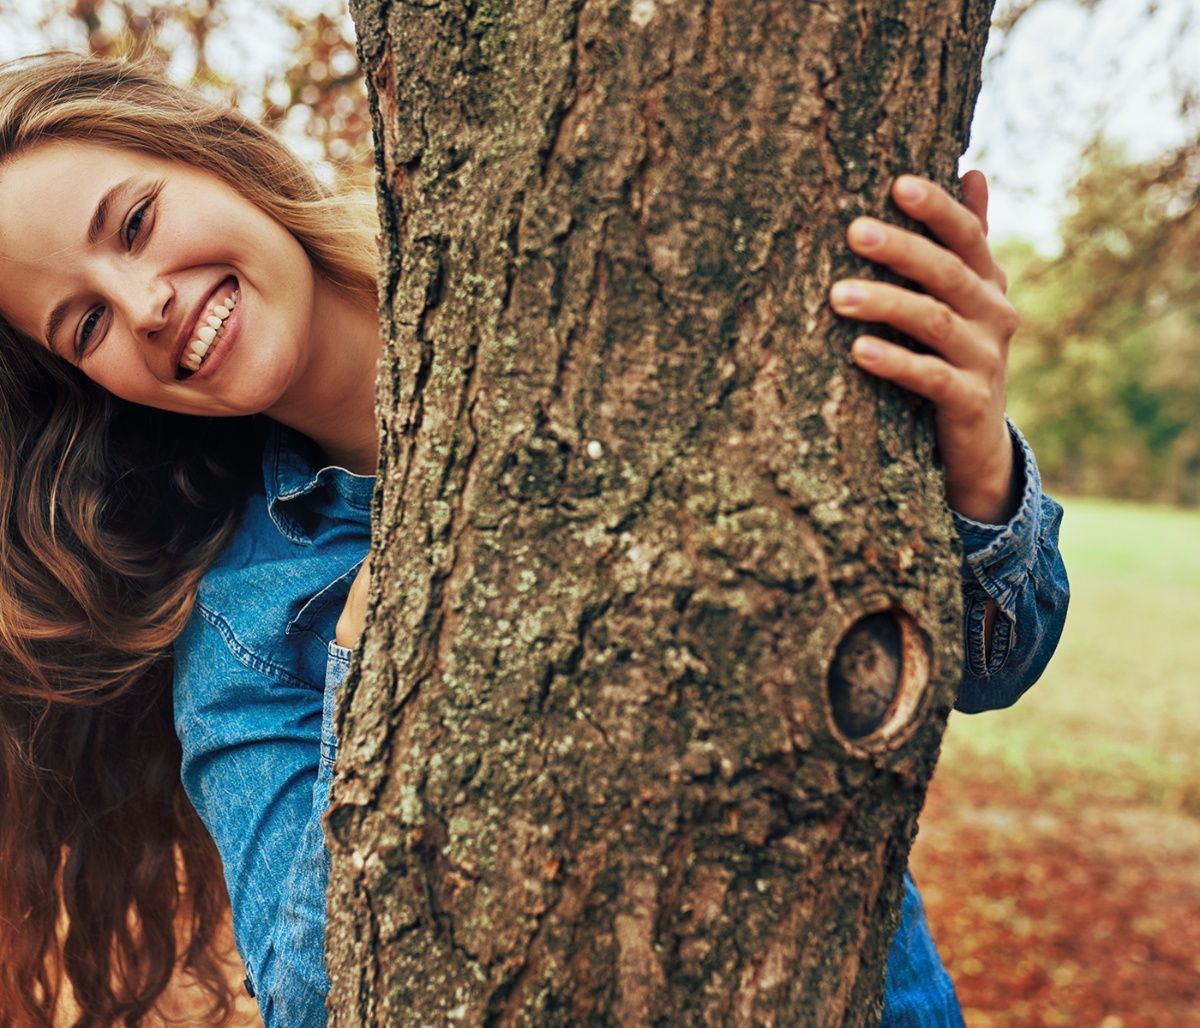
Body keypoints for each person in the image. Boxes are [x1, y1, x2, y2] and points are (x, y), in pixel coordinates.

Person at [0, 52, 1067, 1027]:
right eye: (83, 324)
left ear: (216, 158)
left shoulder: (587, 278)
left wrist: (976, 467)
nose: (140, 304)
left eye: (134, 222)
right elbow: (327, 1006)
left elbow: (981, 668)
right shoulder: (242, 631)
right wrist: (377, 654)